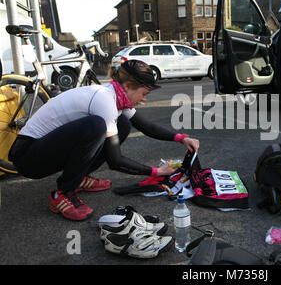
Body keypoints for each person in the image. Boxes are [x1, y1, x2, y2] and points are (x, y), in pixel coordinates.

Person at [8, 60, 199, 221]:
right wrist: (156, 171)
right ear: (127, 87)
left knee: (122, 123)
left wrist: (181, 138)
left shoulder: (116, 95)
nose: (144, 100)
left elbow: (146, 126)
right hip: (28, 157)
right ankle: (63, 193)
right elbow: (115, 161)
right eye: (144, 93)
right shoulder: (104, 100)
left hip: (42, 150)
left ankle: (79, 178)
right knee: (96, 126)